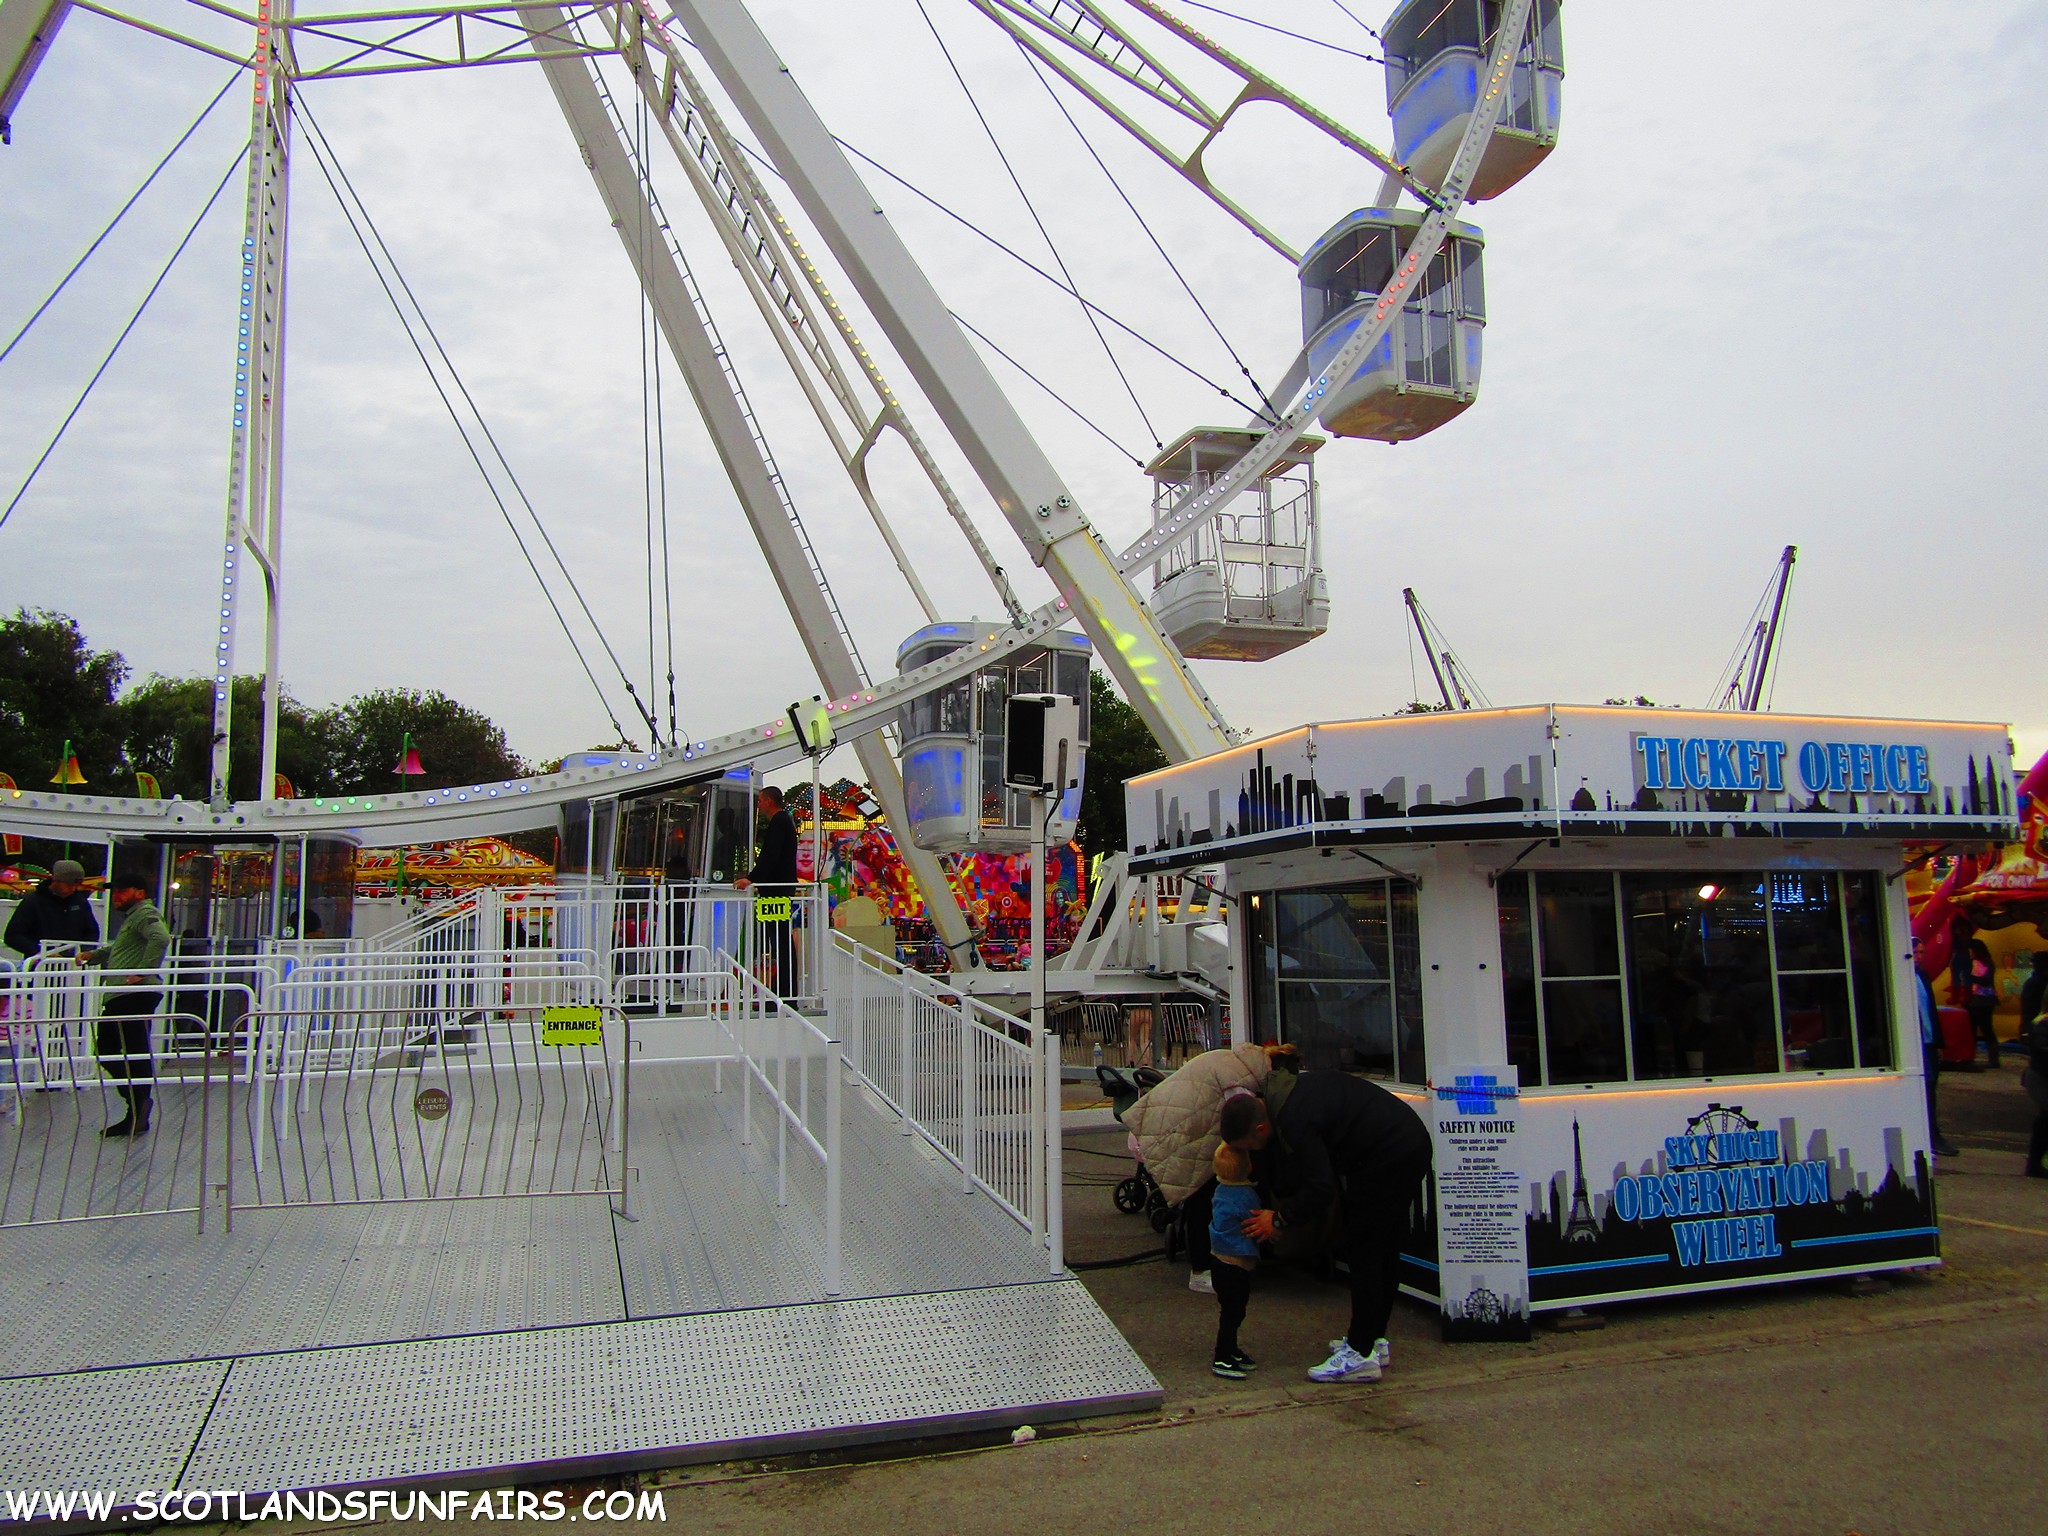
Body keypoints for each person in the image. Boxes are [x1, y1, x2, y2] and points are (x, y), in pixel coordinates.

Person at [1229, 1069, 1433, 1384]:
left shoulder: (1295, 1120)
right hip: (1404, 1142)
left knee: (1365, 1251)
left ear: (1260, 1128)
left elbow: (1321, 1187)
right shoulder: (1287, 1092)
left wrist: (1280, 1219)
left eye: (1251, 1146)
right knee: (1384, 1247)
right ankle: (1373, 1340)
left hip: (1389, 1155)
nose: (1255, 1152)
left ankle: (1359, 1354)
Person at [1122, 1042, 1292, 1294]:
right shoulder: (1241, 1084)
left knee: (1197, 1198)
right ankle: (1201, 1269)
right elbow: (1243, 1128)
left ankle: (1201, 1261)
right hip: (1182, 1134)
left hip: (1167, 1124)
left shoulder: (1231, 1059)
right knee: (1201, 1196)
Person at [86, 876, 170, 1138]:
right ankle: (137, 1106)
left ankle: (137, 1103)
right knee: (126, 1049)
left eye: (122, 891)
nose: (117, 896)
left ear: (140, 892)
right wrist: (95, 956)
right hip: (125, 994)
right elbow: (123, 948)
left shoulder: (144, 913)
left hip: (132, 994)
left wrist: (142, 971)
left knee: (117, 1049)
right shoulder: (134, 917)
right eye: (115, 892)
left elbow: (160, 938)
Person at [1207, 1103, 1264, 1379]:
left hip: (1219, 1260)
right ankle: (1223, 1355)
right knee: (1234, 1312)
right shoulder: (1245, 1197)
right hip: (1235, 1265)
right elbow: (1256, 1220)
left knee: (1231, 1311)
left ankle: (1231, 1350)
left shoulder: (1221, 1190)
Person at [735, 785, 798, 996]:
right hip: (776, 890)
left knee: (780, 939)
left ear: (769, 801)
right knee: (779, 940)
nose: (759, 805)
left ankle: (786, 990)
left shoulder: (779, 822)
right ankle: (784, 988)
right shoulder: (782, 821)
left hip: (776, 891)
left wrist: (752, 879)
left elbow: (770, 856)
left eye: (760, 800)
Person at [1914, 938, 1959, 1158]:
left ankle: (1932, 1133)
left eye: (1922, 952)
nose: (1919, 957)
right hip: (1917, 1043)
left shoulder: (1922, 976)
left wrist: (1939, 1042)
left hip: (1929, 1041)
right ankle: (1930, 1134)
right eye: (1916, 952)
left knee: (1932, 1089)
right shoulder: (1901, 978)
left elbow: (1930, 1010)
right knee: (1925, 1087)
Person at [3, 858, 99, 958]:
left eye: (76, 885)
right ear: (56, 880)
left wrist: (84, 951)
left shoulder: (80, 901)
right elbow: (12, 936)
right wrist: (41, 952)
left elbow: (92, 932)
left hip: (73, 963)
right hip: (40, 963)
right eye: (69, 884)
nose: (73, 888)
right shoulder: (33, 902)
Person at [2020, 950, 2048, 1179]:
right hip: (2039, 1075)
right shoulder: (2042, 1025)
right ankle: (2034, 1162)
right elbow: (2042, 1050)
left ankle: (2036, 1161)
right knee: (2046, 1115)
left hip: (2042, 1073)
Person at [1964, 938, 2000, 1069]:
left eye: (1971, 951)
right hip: (1975, 1000)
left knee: (1987, 1029)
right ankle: (1969, 1057)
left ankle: (1994, 1059)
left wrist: (1970, 977)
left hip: (1985, 1001)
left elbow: (1986, 980)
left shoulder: (1987, 963)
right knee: (1972, 1030)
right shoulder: (1971, 963)